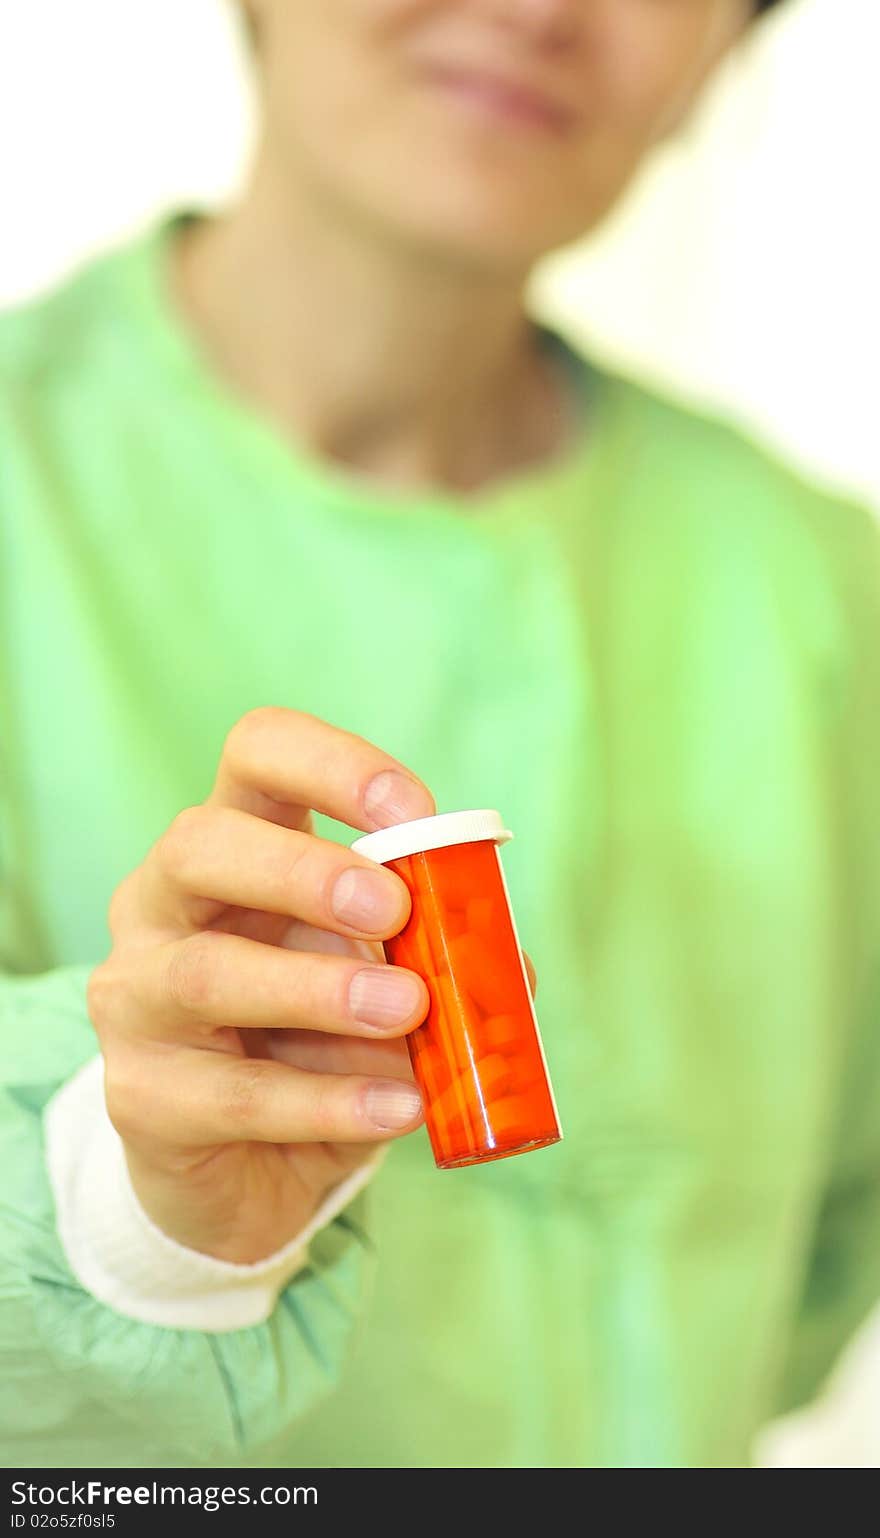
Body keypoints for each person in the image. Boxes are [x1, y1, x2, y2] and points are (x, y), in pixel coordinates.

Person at [1, 0, 878, 1471]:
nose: (541, 9)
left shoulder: (830, 598)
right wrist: (130, 1212)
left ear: (728, 50)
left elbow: (819, 1264)